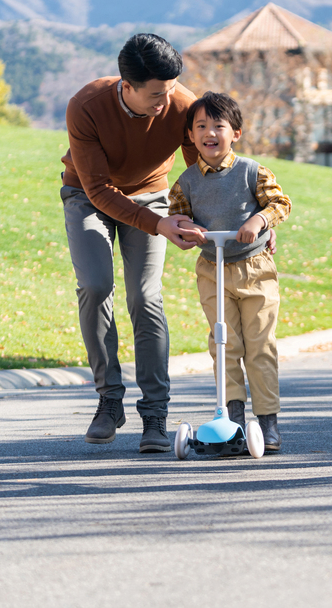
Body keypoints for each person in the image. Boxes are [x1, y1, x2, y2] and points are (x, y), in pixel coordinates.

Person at [61, 33, 206, 452]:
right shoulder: (86, 106)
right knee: (94, 285)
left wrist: (227, 220)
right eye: (157, 94)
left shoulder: (180, 103)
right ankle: (109, 400)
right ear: (128, 86)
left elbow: (204, 171)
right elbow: (100, 189)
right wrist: (157, 225)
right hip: (89, 198)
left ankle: (156, 414)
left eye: (172, 89)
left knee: (145, 296)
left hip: (152, 195)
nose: (167, 101)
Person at [167, 92, 292, 452]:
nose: (209, 133)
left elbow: (279, 203)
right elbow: (178, 214)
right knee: (224, 344)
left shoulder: (253, 171)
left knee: (259, 345)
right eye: (201, 127)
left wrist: (260, 220)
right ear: (191, 136)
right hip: (213, 268)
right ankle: (232, 419)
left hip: (255, 269)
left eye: (218, 126)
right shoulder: (187, 181)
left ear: (235, 132)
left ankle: (267, 420)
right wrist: (186, 229)